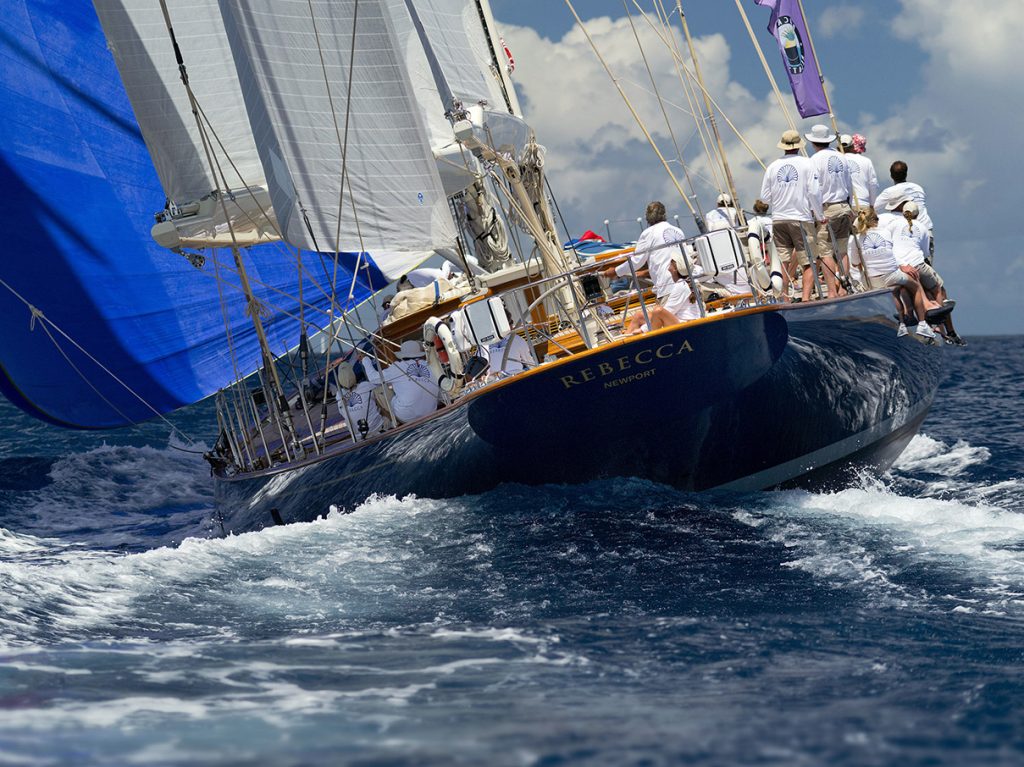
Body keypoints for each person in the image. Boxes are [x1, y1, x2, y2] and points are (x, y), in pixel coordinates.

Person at [879, 199, 964, 345]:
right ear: (917, 215)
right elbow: (925, 253)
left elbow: (888, 243)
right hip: (918, 264)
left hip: (900, 265)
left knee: (905, 286)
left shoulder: (893, 224)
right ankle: (938, 324)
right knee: (938, 287)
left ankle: (910, 314)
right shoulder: (922, 227)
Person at [760, 129, 823, 303]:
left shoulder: (772, 166)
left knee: (783, 263)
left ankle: (785, 299)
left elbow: (764, 197)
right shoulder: (807, 163)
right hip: (800, 218)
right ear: (798, 145)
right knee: (809, 261)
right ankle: (805, 298)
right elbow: (815, 192)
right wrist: (819, 215)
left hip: (778, 219)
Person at [853, 207, 934, 339]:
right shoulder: (886, 232)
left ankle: (902, 325)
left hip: (874, 279)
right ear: (876, 220)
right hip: (892, 274)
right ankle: (922, 324)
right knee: (916, 286)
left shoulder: (855, 239)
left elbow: (855, 263)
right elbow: (891, 253)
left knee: (895, 291)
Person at [601, 201, 686, 304]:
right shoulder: (678, 231)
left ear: (647, 218)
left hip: (667, 290)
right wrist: (646, 273)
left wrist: (616, 271)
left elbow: (636, 262)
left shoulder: (648, 234)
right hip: (686, 286)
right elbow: (672, 260)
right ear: (664, 214)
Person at [806, 124, 852, 298]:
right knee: (842, 249)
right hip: (843, 206)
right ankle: (844, 288)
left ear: (813, 142)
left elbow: (813, 190)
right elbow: (849, 184)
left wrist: (817, 213)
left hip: (827, 209)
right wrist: (849, 206)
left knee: (825, 252)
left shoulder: (814, 161)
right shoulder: (841, 157)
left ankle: (832, 291)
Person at [624, 253, 701, 334]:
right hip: (679, 321)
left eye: (671, 263)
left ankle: (650, 340)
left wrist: (643, 329)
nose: (668, 266)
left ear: (675, 269)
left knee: (658, 311)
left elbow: (668, 310)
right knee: (639, 316)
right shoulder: (684, 283)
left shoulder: (681, 286)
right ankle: (625, 339)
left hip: (687, 326)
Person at [874, 160, 933, 261]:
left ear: (891, 175)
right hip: (926, 229)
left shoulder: (890, 192)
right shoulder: (918, 188)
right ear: (906, 173)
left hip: (907, 234)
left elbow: (873, 208)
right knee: (926, 269)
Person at [377, 340, 441, 424]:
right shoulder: (430, 366)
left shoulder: (397, 367)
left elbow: (373, 378)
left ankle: (394, 424)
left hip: (407, 417)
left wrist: (365, 360)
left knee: (378, 390)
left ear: (403, 355)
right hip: (431, 411)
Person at [334, 360, 387, 440]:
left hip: (359, 437)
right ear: (353, 374)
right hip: (378, 429)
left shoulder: (339, 397)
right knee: (382, 394)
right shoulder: (366, 386)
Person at [840, 133, 879, 207]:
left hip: (844, 205)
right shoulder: (867, 161)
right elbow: (873, 185)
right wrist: (872, 205)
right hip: (863, 204)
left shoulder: (839, 159)